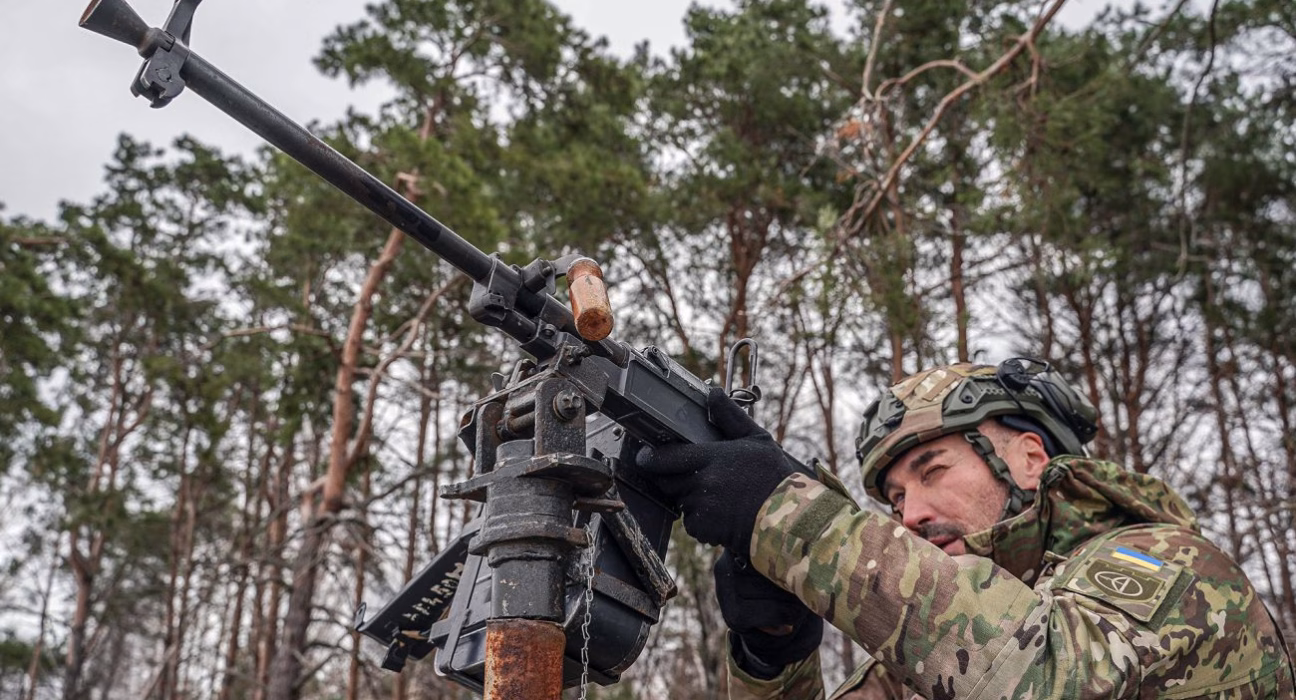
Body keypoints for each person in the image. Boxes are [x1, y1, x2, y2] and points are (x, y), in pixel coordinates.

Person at [638, 359, 1295, 698]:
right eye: (896, 498)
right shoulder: (928, 663)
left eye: (933, 471)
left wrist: (791, 516)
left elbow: (1043, 678)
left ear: (1030, 459)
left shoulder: (1168, 562)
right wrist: (774, 659)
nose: (910, 515)